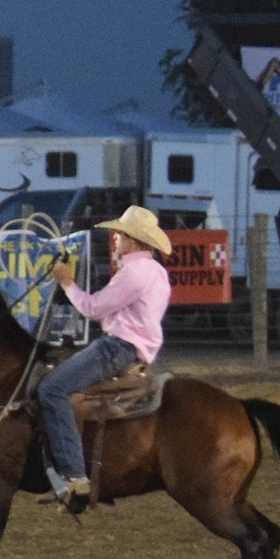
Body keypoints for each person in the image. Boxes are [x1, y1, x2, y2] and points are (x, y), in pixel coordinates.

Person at [35, 205, 174, 512]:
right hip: (131, 349)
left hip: (116, 348)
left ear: (134, 241)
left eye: (120, 234)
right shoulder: (156, 272)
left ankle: (74, 476)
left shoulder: (134, 273)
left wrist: (66, 282)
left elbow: (93, 308)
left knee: (52, 389)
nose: (115, 238)